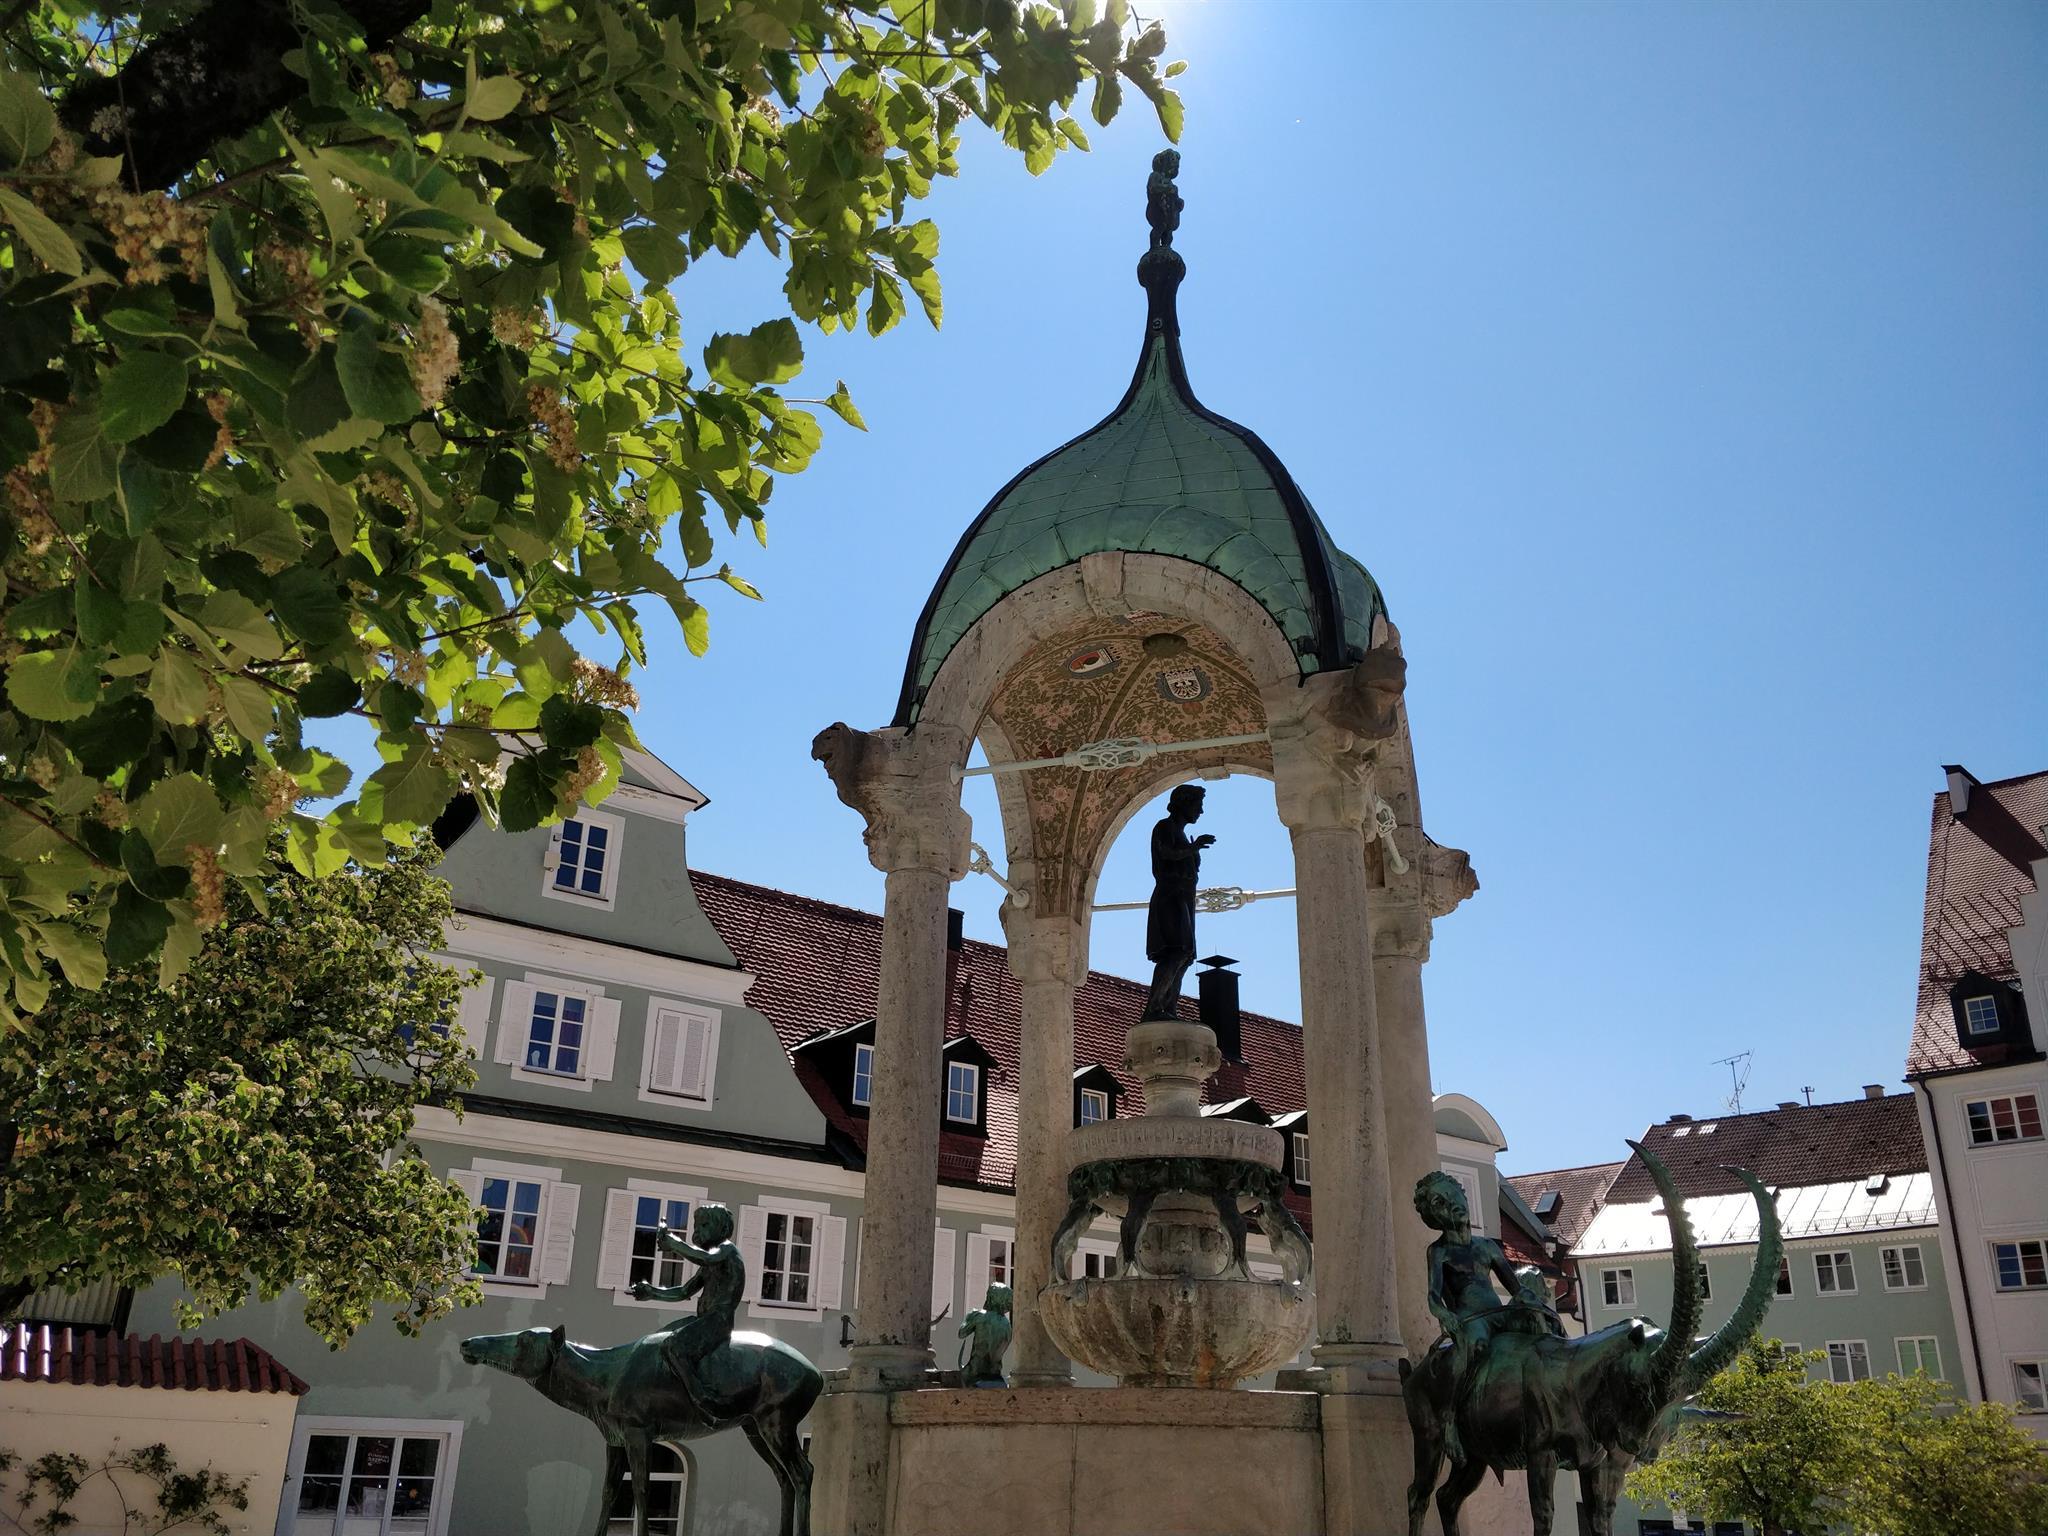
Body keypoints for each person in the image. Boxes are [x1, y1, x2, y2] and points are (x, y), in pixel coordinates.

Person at [1414, 1171, 1556, 1465]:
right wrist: (1444, 1314)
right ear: (1433, 1217)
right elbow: (1433, 1296)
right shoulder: (1439, 1252)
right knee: (1475, 1347)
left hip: (1498, 1313)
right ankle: (1450, 1419)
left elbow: (1514, 1287)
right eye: (1440, 1203)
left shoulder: (1487, 1246)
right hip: (1470, 1319)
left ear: (1463, 1195)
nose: (1451, 1204)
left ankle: (1554, 1391)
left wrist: (1530, 1301)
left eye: (1452, 1195)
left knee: (1540, 1322)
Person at [630, 1203, 743, 1418]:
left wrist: (674, 1243)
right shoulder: (711, 1264)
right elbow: (683, 1291)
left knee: (673, 1347)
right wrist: (652, 1292)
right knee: (659, 1338)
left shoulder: (727, 1251)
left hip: (718, 1321)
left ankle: (702, 1399)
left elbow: (705, 1257)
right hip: (703, 1320)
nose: (697, 1231)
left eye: (704, 1225)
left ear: (722, 1229)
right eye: (696, 1226)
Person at [1142, 784, 1214, 1020]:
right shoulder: (1164, 826)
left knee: (1186, 956)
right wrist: (1193, 848)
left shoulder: (1181, 833)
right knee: (1175, 952)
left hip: (1184, 898)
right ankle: (1154, 1009)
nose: (1200, 811)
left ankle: (1169, 1008)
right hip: (1170, 897)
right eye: (1198, 805)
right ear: (1184, 804)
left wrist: (1194, 854)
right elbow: (1166, 853)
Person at [958, 1282, 1013, 1386]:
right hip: (995, 1373)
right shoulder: (1007, 1325)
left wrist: (970, 1317)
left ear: (991, 1298)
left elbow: (962, 1333)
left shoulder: (978, 1315)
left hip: (974, 1371)